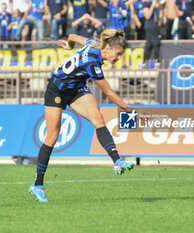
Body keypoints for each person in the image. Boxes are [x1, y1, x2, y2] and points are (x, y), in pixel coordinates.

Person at [28, 29, 135, 202]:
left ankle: (117, 161)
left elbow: (71, 36)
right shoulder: (92, 63)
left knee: (98, 119)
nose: (118, 58)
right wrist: (129, 109)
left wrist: (69, 47)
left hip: (76, 89)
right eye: (117, 54)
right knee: (52, 136)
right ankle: (37, 185)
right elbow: (109, 93)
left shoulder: (94, 43)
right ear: (107, 50)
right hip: (57, 90)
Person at [143, 0, 160, 66]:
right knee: (154, 44)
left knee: (151, 44)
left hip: (154, 26)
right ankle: (154, 61)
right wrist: (153, 5)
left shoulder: (151, 4)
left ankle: (146, 61)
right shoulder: (145, 4)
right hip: (150, 27)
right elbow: (148, 16)